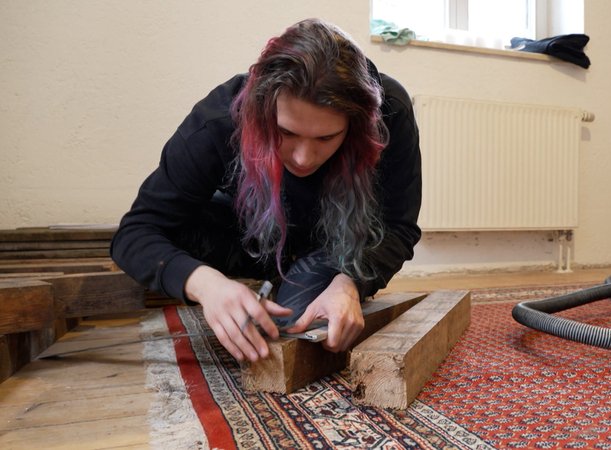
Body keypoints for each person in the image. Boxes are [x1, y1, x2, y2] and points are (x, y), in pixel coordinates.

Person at [111, 18, 422, 362]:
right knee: (182, 237)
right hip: (245, 238)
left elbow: (398, 227)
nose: (304, 158)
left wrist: (350, 284)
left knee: (297, 327)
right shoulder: (219, 118)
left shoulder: (390, 112)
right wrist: (204, 283)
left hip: (332, 245)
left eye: (326, 138)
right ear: (261, 110)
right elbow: (136, 232)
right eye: (285, 133)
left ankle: (311, 279)